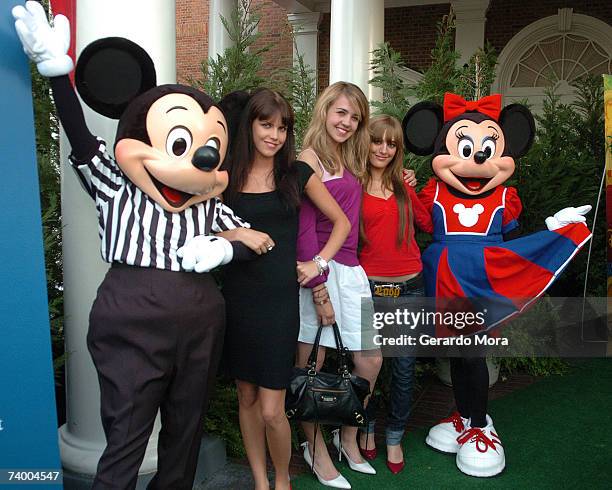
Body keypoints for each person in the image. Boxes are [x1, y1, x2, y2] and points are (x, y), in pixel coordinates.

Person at [217, 88, 351, 490]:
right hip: (237, 299)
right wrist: (239, 231)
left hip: (278, 304)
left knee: (274, 409)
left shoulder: (296, 174)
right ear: (250, 125)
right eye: (266, 124)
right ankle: (260, 481)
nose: (274, 135)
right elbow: (201, 226)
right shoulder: (226, 176)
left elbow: (341, 224)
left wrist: (319, 263)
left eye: (282, 127)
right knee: (246, 397)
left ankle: (282, 480)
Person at [295, 82, 382, 489]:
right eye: (341, 112)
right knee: (310, 366)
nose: (347, 122)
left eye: (354, 116)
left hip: (352, 271)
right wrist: (318, 287)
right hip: (321, 271)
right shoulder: (307, 159)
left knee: (370, 360)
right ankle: (314, 447)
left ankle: (347, 437)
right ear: (325, 110)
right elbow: (305, 226)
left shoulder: (349, 157)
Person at [358, 114, 433, 475]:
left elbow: (427, 224)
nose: (384, 149)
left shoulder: (403, 185)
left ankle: (395, 435)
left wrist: (413, 190)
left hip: (410, 287)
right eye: (377, 141)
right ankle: (367, 427)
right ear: (366, 142)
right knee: (369, 368)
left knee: (403, 368)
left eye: (392, 143)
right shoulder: (353, 186)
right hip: (369, 289)